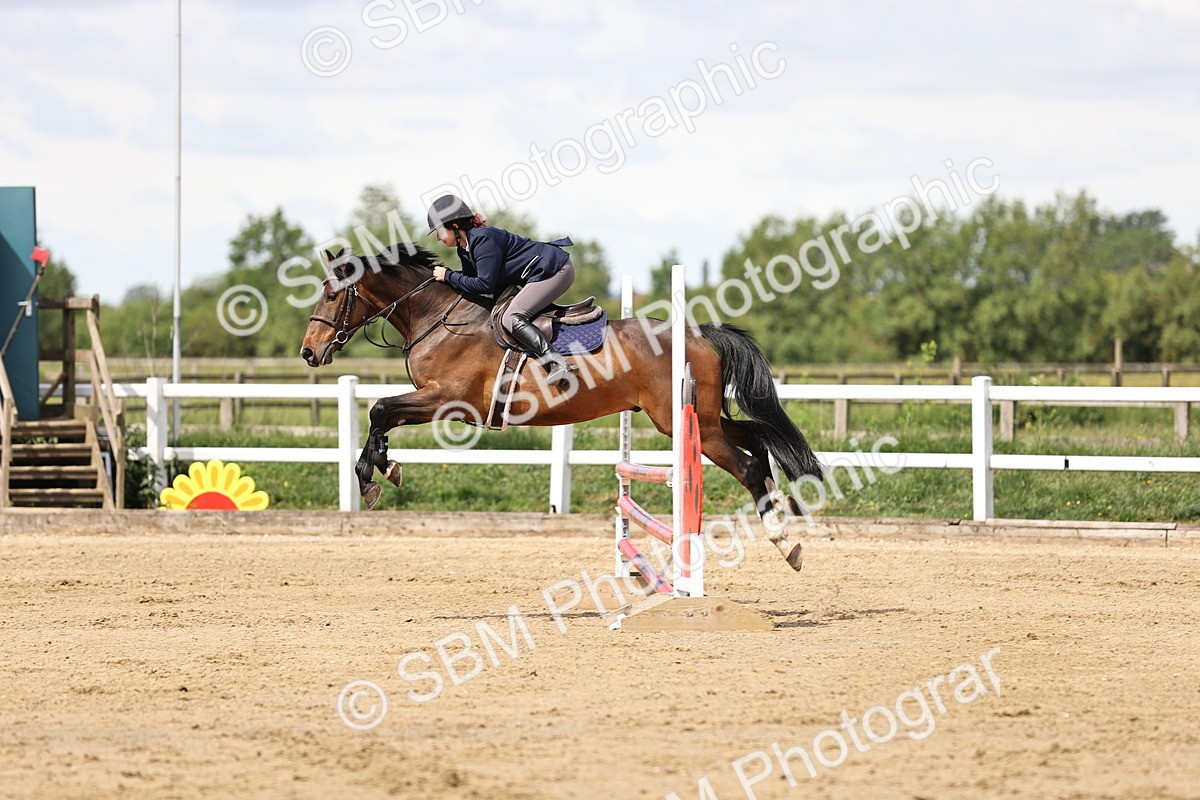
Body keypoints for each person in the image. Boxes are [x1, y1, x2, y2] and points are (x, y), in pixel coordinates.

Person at [426, 194, 578, 384]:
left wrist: (448, 275)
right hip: (539, 273)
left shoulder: (482, 239)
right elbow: (470, 282)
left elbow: (484, 284)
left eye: (439, 232)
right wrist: (448, 279)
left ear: (454, 226)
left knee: (511, 317)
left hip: (555, 269)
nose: (438, 238)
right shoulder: (464, 248)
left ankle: (557, 363)